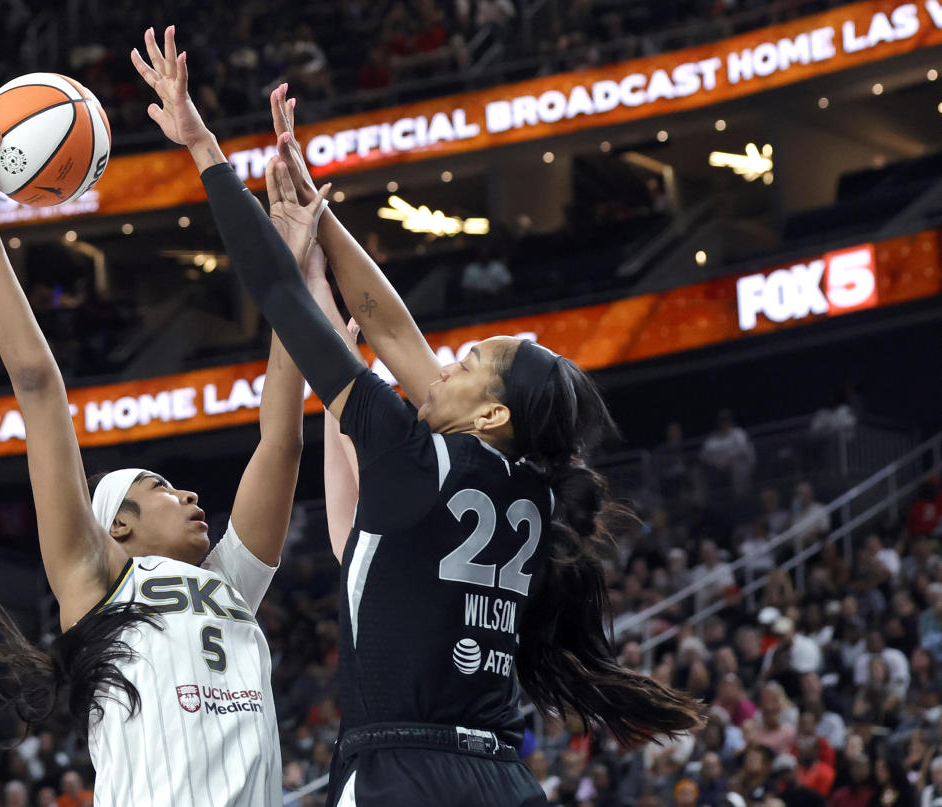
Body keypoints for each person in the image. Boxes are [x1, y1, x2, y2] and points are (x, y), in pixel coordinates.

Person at [132, 30, 704, 806]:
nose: (447, 361)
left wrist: (202, 146)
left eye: (469, 363)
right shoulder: (532, 487)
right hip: (504, 779)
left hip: (402, 772)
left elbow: (278, 296)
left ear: (493, 411)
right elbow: (394, 331)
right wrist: (321, 218)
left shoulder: (415, 457)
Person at [0, 93, 313, 807]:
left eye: (174, 487)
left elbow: (283, 436)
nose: (190, 495)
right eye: (162, 488)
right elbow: (39, 388)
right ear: (117, 524)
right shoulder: (95, 584)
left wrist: (288, 273)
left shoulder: (231, 582)